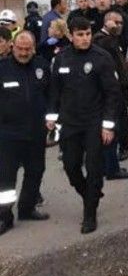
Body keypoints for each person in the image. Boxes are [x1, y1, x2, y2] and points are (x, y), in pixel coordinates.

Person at [46, 16, 121, 234]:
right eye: (80, 35)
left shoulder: (101, 58)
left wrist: (108, 126)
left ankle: (90, 214)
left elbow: (112, 94)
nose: (85, 38)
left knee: (95, 167)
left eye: (88, 34)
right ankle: (91, 193)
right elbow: (55, 92)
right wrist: (51, 117)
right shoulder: (61, 60)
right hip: (70, 123)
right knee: (71, 166)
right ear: (71, 35)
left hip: (94, 123)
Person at [0, 32, 51, 236]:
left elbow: (51, 94)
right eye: (19, 49)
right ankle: (4, 216)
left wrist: (52, 119)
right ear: (12, 47)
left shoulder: (41, 66)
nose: (23, 53)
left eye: (27, 49)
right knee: (5, 178)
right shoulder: (2, 68)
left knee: (36, 171)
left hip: (36, 132)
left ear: (33, 48)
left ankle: (27, 208)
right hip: (8, 133)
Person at [93, 11, 128, 179]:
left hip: (119, 92)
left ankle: (111, 166)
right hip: (111, 93)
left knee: (116, 130)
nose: (118, 26)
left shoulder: (111, 40)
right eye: (115, 23)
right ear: (106, 23)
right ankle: (111, 169)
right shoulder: (103, 41)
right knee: (112, 130)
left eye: (120, 23)